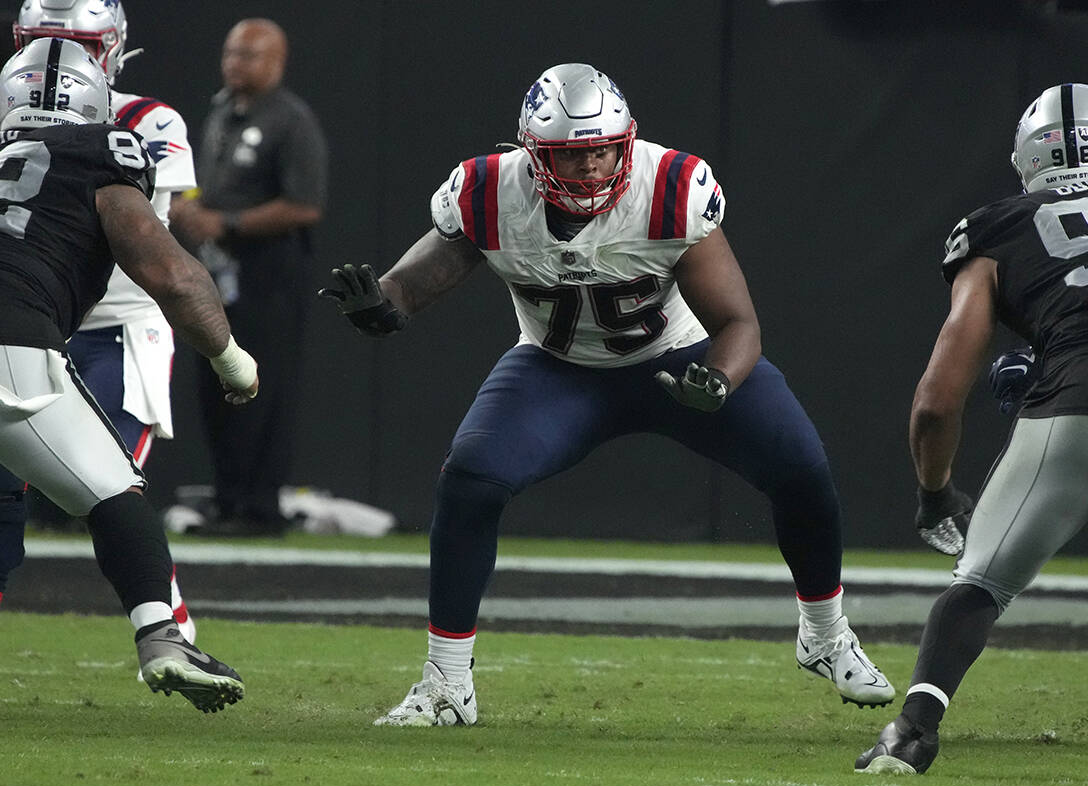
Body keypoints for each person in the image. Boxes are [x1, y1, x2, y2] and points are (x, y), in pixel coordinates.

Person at [320, 63, 894, 726]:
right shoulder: (488, 192)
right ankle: (447, 681)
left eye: (602, 150)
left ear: (626, 143)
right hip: (558, 369)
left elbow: (739, 325)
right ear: (532, 155)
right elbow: (417, 281)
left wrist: (720, 379)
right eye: (572, 154)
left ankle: (824, 635)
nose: (591, 168)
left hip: (677, 363)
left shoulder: (668, 187)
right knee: (472, 478)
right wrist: (386, 305)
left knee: (801, 465)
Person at [855, 83, 1088, 775]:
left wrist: (935, 491)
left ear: (1027, 163)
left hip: (1077, 399)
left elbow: (936, 401)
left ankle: (912, 736)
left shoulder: (999, 225)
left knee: (981, 582)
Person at [0, 38, 260, 710]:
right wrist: (231, 359)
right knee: (115, 493)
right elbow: (171, 273)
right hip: (12, 344)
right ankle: (162, 640)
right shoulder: (100, 151)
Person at [6, 0, 199, 642]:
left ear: (111, 47)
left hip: (115, 321)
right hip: (34, 323)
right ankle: (166, 637)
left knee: (111, 481)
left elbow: (143, 241)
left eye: (77, 44)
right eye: (43, 40)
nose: (60, 58)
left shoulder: (146, 120)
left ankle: (171, 632)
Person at [170, 17, 327, 537]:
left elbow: (305, 206)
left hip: (269, 273)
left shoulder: (291, 120)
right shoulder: (221, 110)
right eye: (230, 53)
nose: (234, 64)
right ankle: (228, 498)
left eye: (248, 55)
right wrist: (193, 210)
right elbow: (208, 185)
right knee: (216, 383)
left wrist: (228, 222)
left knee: (263, 386)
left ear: (276, 62)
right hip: (219, 270)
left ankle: (259, 507)